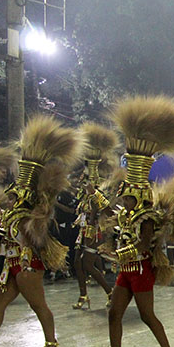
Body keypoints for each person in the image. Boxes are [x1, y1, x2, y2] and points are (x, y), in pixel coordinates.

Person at [95, 95, 174, 347]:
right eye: (124, 195)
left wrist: (118, 254)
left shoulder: (147, 217)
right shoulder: (126, 214)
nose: (124, 198)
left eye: (128, 195)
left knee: (146, 316)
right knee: (114, 314)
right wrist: (109, 245)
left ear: (138, 195)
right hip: (125, 271)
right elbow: (116, 225)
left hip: (140, 270)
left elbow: (142, 245)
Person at [0, 116, 82, 347]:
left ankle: (51, 343)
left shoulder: (26, 216)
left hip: (26, 265)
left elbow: (28, 241)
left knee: (38, 305)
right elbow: (6, 240)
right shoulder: (12, 214)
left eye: (13, 197)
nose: (8, 200)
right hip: (10, 265)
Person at [72, 123, 118, 310]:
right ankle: (83, 295)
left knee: (88, 264)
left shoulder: (100, 188)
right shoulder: (84, 189)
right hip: (83, 229)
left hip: (95, 230)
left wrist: (93, 201)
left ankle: (110, 291)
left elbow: (105, 210)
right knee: (77, 262)